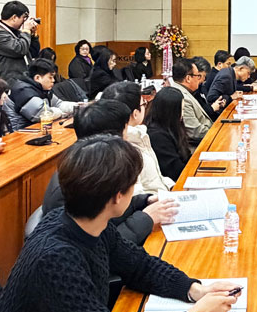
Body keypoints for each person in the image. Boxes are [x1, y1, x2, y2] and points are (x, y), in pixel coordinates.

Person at [0, 134, 239, 312]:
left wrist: (194, 289)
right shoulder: (54, 260)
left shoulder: (90, 223)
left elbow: (139, 266)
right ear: (118, 196)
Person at [41, 99, 177, 245]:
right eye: (126, 130)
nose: (127, 137)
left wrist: (143, 201)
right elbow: (102, 247)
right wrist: (146, 218)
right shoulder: (82, 181)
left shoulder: (89, 165)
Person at [102, 82, 176, 195]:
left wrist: (172, 187)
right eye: (144, 104)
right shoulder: (125, 148)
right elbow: (137, 196)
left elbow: (155, 178)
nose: (146, 107)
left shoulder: (139, 135)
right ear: (135, 113)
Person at [10, 59, 77, 128]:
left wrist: (78, 107)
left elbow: (58, 104)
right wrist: (62, 113)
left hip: (35, 130)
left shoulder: (43, 89)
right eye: (50, 77)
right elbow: (42, 114)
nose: (53, 80)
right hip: (18, 133)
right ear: (37, 78)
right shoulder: (23, 90)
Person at [144, 88, 192, 181]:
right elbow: (174, 171)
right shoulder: (157, 136)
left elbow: (186, 155)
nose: (182, 114)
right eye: (181, 110)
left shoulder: (173, 125)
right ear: (172, 112)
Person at [0, 0, 40, 83]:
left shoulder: (17, 32)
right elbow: (20, 49)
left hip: (23, 79)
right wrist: (26, 30)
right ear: (14, 18)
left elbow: (34, 52)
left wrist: (33, 36)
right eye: (24, 17)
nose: (24, 21)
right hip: (7, 82)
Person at [168, 58, 213, 147]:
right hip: (196, 146)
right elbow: (195, 131)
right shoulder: (182, 97)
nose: (201, 80)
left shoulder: (186, 91)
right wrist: (217, 131)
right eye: (198, 76)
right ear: (188, 78)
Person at [190, 56, 225, 121]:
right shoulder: (191, 91)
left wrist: (216, 105)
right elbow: (200, 114)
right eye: (203, 76)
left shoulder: (200, 87)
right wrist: (212, 108)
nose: (204, 80)